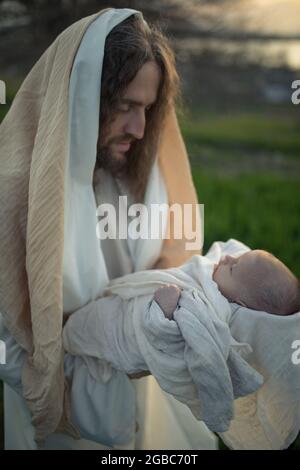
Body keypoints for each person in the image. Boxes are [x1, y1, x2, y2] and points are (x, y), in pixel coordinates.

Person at [0, 8, 214, 450]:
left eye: (148, 110)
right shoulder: (16, 189)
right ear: (84, 99)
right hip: (64, 418)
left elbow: (173, 262)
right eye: (125, 107)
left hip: (142, 398)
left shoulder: (141, 175)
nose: (138, 129)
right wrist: (88, 366)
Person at [155, 249, 300, 318]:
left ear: (239, 302)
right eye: (237, 257)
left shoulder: (214, 312)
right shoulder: (223, 281)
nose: (227, 257)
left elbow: (186, 337)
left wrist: (167, 312)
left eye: (232, 267)